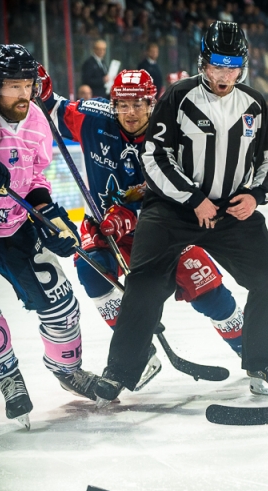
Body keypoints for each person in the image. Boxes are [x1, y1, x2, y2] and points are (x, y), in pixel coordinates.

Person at [93, 21, 268, 405]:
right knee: (146, 283)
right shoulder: (179, 97)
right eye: (218, 64)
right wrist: (192, 198)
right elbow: (155, 156)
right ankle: (120, 371)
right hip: (173, 210)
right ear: (204, 63)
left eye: (233, 65)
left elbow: (267, 158)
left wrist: (254, 194)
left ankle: (261, 361)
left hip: (233, 211)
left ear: (243, 66)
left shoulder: (254, 104)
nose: (225, 74)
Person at [40, 68, 247, 379]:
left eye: (139, 104)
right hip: (103, 227)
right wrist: (37, 89)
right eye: (123, 105)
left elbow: (191, 196)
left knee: (208, 291)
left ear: (153, 104)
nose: (131, 113)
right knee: (91, 271)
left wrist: (132, 215)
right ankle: (139, 350)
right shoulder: (92, 119)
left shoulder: (177, 137)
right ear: (113, 105)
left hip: (165, 230)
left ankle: (251, 349)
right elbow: (49, 106)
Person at [0, 44, 101, 428]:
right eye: (14, 86)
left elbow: (35, 177)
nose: (24, 94)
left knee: (62, 305)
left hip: (15, 225)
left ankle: (66, 369)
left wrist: (48, 215)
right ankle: (8, 378)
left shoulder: (37, 119)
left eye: (28, 85)